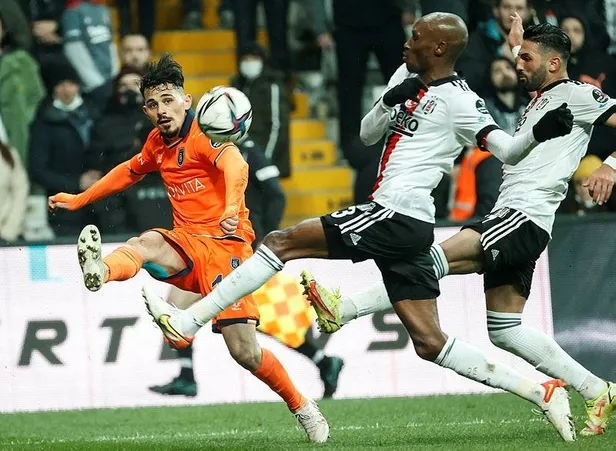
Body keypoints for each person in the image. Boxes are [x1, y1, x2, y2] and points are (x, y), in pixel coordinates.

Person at [142, 13, 577, 442]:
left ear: (439, 48)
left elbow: (508, 150)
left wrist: (540, 132)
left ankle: (190, 320)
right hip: (406, 226)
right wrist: (390, 100)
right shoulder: (404, 75)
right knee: (429, 343)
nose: (406, 42)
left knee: (280, 242)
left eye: (416, 37)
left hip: (395, 214)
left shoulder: (461, 100)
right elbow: (367, 134)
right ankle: (542, 393)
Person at [300, 18, 616, 438]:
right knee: (505, 330)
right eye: (518, 56)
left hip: (521, 218)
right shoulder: (544, 95)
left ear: (554, 63)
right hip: (519, 218)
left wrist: (611, 166)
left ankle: (343, 310)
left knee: (429, 262)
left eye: (526, 59)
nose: (518, 65)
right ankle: (597, 389)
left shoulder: (579, 95)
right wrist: (518, 42)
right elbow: (533, 67)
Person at [47, 53, 329, 443]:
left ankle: (302, 405)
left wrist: (232, 208)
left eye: (168, 100)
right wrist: (80, 199)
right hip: (188, 244)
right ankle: (102, 270)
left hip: (228, 249)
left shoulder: (207, 132)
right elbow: (129, 170)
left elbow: (236, 166)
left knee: (245, 352)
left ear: (186, 100)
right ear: (145, 110)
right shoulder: (157, 143)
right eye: (152, 104)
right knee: (146, 242)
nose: (161, 110)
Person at [149, 137, 344, 399]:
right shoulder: (205, 149)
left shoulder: (248, 151)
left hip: (241, 244)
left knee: (213, 313)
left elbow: (276, 195)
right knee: (247, 319)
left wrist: (266, 237)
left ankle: (187, 376)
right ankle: (323, 362)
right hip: (216, 243)